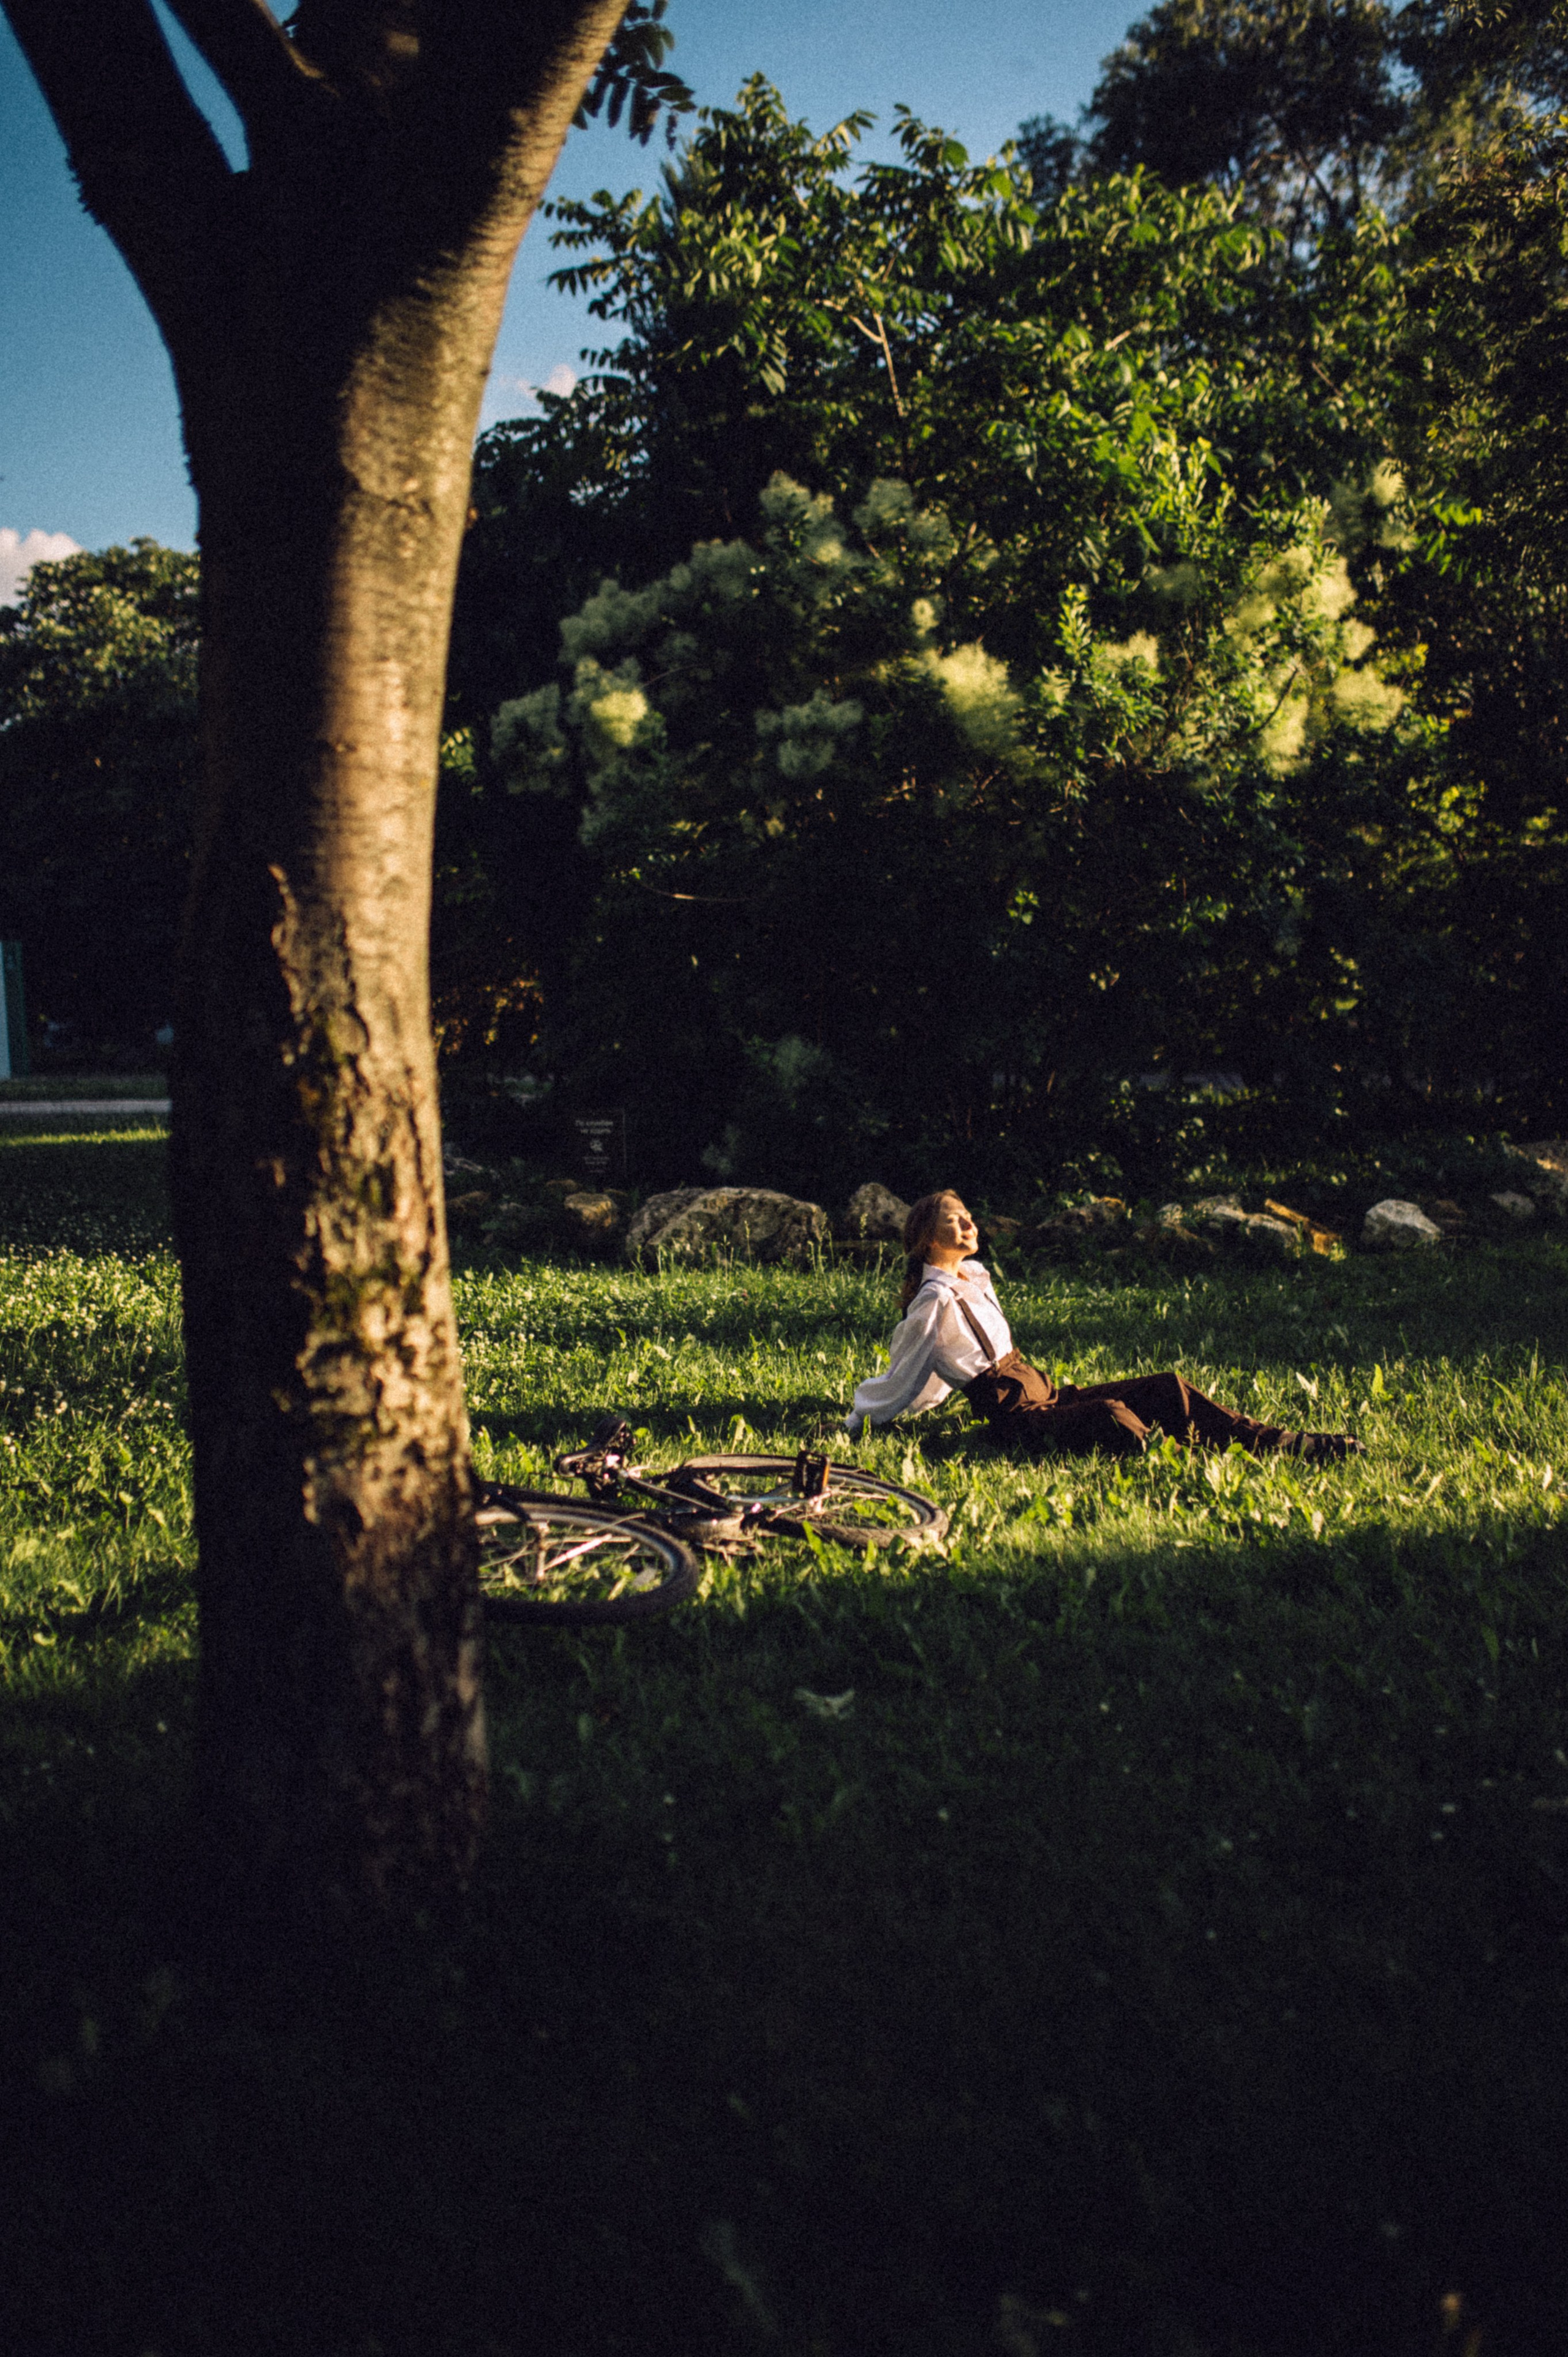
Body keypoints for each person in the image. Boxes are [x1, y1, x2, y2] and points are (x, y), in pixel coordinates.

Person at [843, 1190, 1363, 1461]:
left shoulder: (975, 1277)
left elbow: (935, 1377)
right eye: (954, 1220)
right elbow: (907, 1375)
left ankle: (1279, 1441)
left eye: (968, 1216)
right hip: (1016, 1418)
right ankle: (1185, 1458)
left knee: (1166, 1387)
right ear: (928, 1240)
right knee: (1113, 1417)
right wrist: (856, 1423)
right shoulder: (932, 1301)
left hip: (1045, 1394)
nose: (969, 1224)